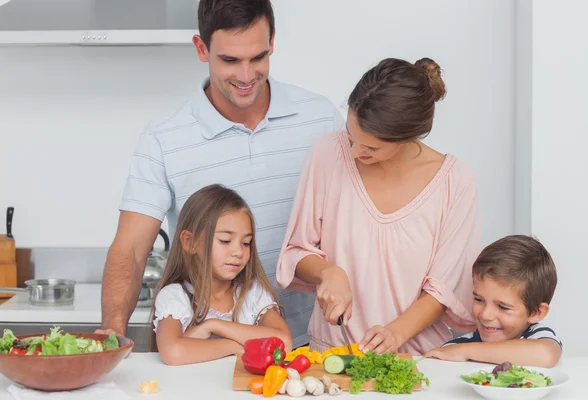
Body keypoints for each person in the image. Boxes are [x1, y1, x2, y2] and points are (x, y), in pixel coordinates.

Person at [97, 0, 344, 348]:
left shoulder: (321, 118)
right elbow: (131, 250)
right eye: (229, 60)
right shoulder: (164, 138)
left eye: (257, 57)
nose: (246, 76)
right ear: (202, 48)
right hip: (204, 351)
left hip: (309, 346)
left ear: (272, 43)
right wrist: (112, 332)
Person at [276, 57, 483, 355]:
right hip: (332, 355)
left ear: (407, 136)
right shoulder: (327, 154)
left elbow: (443, 290)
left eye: (371, 147)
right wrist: (328, 272)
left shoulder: (455, 182)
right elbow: (297, 250)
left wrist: (393, 335)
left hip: (417, 360)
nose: (356, 152)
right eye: (351, 136)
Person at [151, 184, 292, 365]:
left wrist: (213, 325)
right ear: (190, 242)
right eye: (225, 241)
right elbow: (173, 352)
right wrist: (232, 346)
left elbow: (285, 344)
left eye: (246, 243)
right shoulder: (175, 296)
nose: (238, 252)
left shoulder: (252, 293)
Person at [425, 235, 562, 368]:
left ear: (536, 312)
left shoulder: (537, 336)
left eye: (503, 307)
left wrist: (466, 352)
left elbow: (546, 355)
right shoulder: (456, 347)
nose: (486, 315)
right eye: (479, 299)